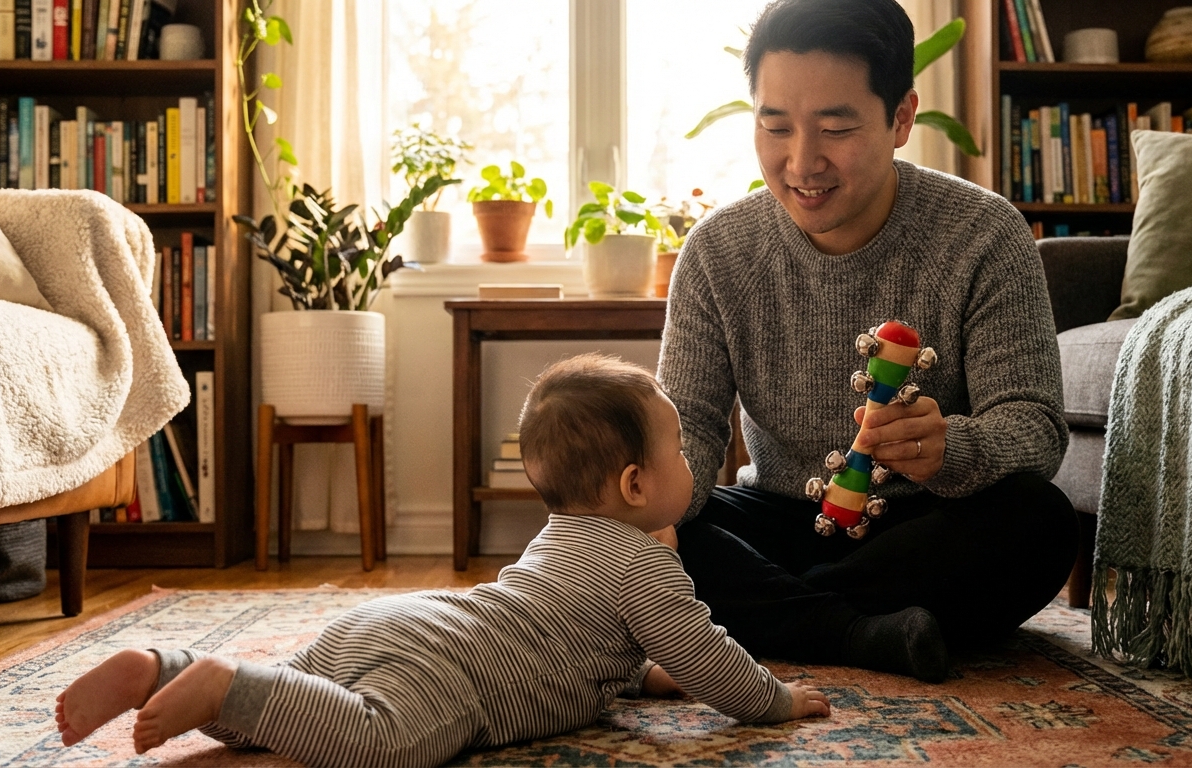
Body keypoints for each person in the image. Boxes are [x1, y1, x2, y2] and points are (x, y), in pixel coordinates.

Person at [54, 355, 830, 767]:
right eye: (682, 454)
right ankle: (222, 680)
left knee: (285, 717)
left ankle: (164, 668)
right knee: (383, 741)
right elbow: (704, 656)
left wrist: (651, 677)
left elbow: (589, 642)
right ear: (635, 484)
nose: (697, 465)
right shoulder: (650, 569)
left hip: (400, 622)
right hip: (452, 672)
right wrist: (773, 701)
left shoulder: (557, 539)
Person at [655, 0, 1078, 682]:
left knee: (1040, 522)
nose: (802, 161)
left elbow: (1033, 429)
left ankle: (783, 616)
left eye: (836, 127)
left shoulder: (985, 235)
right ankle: (859, 631)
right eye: (775, 126)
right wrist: (645, 510)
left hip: (925, 530)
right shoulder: (715, 252)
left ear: (901, 118)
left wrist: (951, 448)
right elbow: (691, 432)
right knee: (652, 536)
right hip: (779, 518)